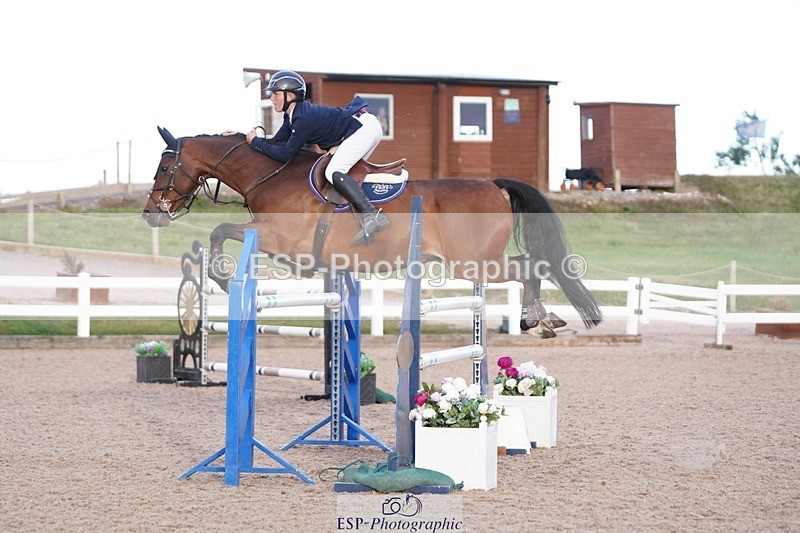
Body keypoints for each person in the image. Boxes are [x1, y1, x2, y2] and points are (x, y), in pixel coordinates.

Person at [226, 70, 389, 245]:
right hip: (361, 128)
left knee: (334, 171)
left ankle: (372, 215)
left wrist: (255, 141)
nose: (272, 98)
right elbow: (276, 143)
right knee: (341, 174)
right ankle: (358, 221)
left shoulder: (302, 118)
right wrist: (244, 138)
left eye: (276, 94)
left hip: (363, 128)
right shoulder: (293, 117)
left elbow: (285, 154)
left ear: (290, 95)